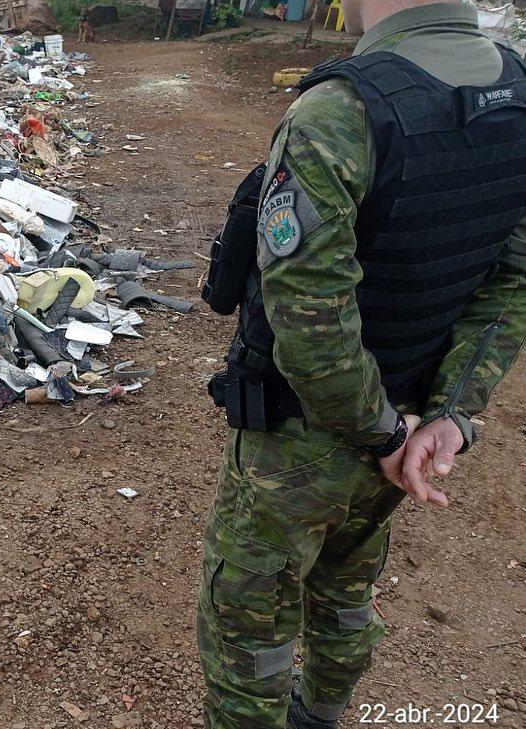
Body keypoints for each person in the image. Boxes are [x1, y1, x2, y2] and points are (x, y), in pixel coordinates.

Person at [198, 1, 526, 727]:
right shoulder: (521, 92)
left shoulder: (342, 108)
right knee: (346, 585)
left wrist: (381, 432)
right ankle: (322, 713)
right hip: (408, 422)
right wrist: (446, 415)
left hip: (308, 435)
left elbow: (308, 317)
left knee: (248, 622)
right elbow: (509, 284)